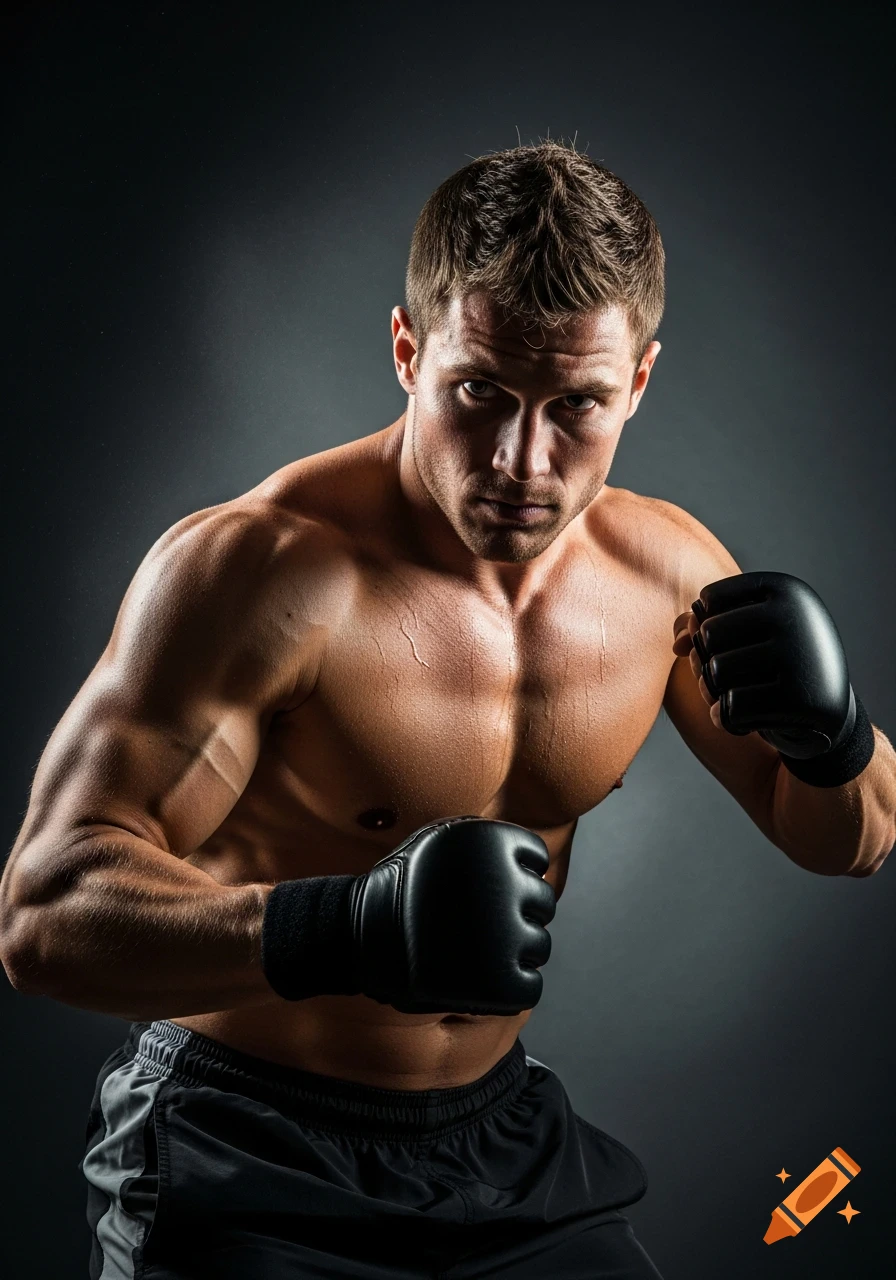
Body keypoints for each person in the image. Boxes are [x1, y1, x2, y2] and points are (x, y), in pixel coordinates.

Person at [1, 140, 892, 1280]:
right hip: (238, 1141)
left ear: (638, 384)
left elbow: (852, 839)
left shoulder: (665, 576)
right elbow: (45, 912)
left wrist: (836, 737)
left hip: (498, 1141)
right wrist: (353, 927)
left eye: (576, 404)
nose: (524, 460)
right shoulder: (260, 572)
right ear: (408, 350)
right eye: (480, 392)